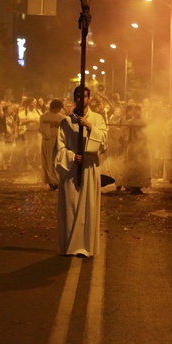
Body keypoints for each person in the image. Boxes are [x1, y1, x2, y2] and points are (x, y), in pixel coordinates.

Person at [55, 86, 107, 257]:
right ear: (74, 98)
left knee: (88, 205)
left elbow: (104, 142)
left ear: (89, 99)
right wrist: (71, 157)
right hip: (71, 169)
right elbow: (60, 147)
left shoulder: (98, 119)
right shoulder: (66, 121)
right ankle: (70, 245)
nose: (81, 99)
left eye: (84, 96)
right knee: (71, 205)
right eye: (78, 96)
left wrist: (90, 127)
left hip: (89, 166)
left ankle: (86, 246)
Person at [39, 99, 66, 190]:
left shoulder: (61, 117)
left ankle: (58, 179)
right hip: (48, 140)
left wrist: (59, 125)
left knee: (57, 159)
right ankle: (51, 180)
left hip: (58, 140)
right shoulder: (44, 116)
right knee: (48, 159)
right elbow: (41, 129)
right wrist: (51, 126)